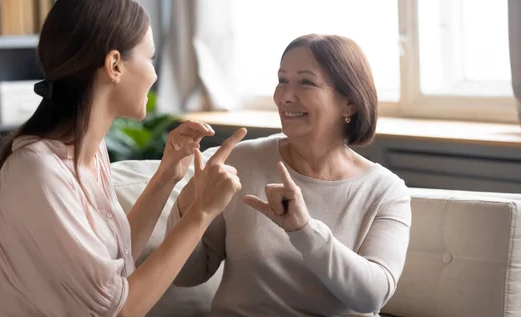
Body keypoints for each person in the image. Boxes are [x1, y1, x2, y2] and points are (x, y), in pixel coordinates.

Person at [0, 0, 247, 317]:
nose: (153, 73)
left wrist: (167, 175)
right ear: (114, 65)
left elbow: (115, 265)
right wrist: (202, 212)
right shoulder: (38, 171)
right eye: (150, 57)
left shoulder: (89, 153)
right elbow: (121, 309)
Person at [167, 34, 412, 317]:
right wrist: (191, 200)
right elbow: (187, 276)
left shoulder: (385, 191)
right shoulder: (242, 161)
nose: (284, 96)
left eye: (305, 82)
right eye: (282, 80)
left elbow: (371, 297)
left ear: (349, 103)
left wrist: (304, 230)